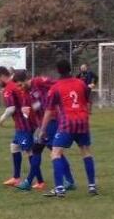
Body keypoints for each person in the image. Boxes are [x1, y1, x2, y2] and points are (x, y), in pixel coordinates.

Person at [40, 60, 97, 198]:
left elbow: (49, 111)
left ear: (58, 71)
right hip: (82, 121)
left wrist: (42, 129)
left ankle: (59, 188)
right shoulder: (81, 83)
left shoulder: (56, 87)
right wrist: (87, 111)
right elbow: (88, 99)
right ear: (70, 69)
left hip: (68, 123)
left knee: (55, 153)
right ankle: (92, 186)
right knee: (86, 152)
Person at [0, 67, 35, 187]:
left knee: (29, 150)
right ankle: (16, 178)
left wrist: (1, 119)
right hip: (22, 124)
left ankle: (38, 180)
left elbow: (11, 108)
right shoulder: (13, 85)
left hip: (24, 124)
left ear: (2, 76)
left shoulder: (9, 87)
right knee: (15, 147)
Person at [16, 72, 47, 191]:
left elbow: (41, 106)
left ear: (26, 80)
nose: (19, 88)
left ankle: (32, 181)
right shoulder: (26, 93)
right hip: (40, 125)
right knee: (40, 150)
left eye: (20, 85)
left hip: (48, 124)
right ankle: (36, 181)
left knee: (54, 152)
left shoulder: (37, 84)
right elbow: (27, 114)